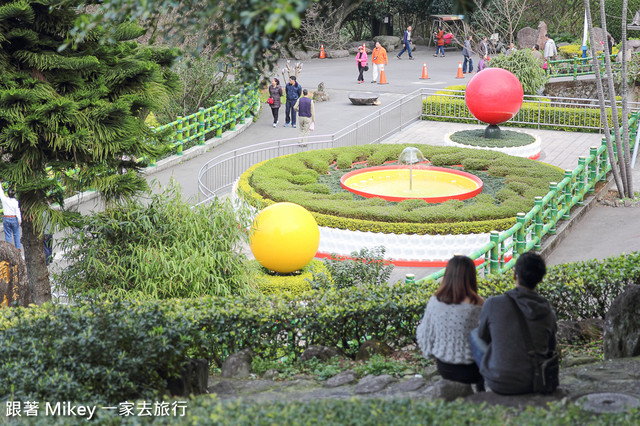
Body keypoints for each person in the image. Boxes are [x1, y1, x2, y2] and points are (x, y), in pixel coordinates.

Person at [470, 251, 558, 395]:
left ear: (515, 275)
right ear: (540, 279)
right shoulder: (548, 310)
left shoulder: (493, 303)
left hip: (500, 382)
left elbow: (483, 336)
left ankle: (480, 390)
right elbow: (550, 347)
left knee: (474, 335)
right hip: (536, 381)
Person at [417, 255, 485, 391]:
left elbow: (424, 333)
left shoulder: (435, 301)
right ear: (471, 276)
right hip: (472, 368)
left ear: (448, 274)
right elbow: (486, 337)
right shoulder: (479, 303)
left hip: (444, 366)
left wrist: (432, 353)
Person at [0, 183, 21, 252]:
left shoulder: (4, 200)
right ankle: (18, 248)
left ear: (8, 194)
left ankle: (10, 249)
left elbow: (0, 192)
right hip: (14, 218)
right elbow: (18, 211)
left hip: (6, 218)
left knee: (8, 235)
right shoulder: (16, 202)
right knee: (16, 234)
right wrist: (20, 219)